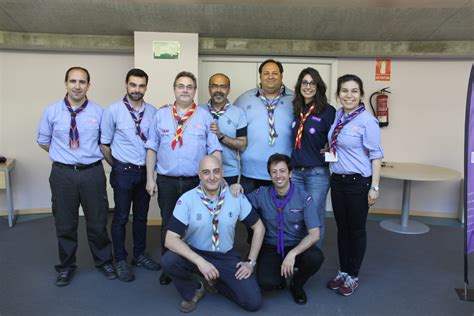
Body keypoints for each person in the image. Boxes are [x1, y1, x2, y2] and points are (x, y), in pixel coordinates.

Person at [37, 66, 116, 286]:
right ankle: (66, 266)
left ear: (88, 86)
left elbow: (105, 142)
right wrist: (64, 156)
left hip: (92, 173)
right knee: (65, 223)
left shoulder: (99, 113)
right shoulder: (51, 112)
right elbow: (43, 141)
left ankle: (104, 262)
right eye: (73, 81)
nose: (77, 86)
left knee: (98, 221)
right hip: (62, 175)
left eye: (82, 82)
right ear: (66, 84)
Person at [145, 71, 222, 285]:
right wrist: (150, 179)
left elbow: (215, 149)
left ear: (195, 91)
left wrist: (217, 178)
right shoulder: (160, 116)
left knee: (197, 225)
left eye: (189, 86)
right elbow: (151, 148)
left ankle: (196, 265)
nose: (185, 90)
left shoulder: (205, 117)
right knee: (168, 224)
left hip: (195, 182)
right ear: (174, 89)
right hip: (167, 180)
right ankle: (169, 266)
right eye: (181, 86)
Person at [161, 155, 264, 313]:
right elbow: (170, 240)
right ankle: (195, 288)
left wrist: (251, 262)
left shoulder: (235, 197)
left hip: (225, 256)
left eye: (216, 172)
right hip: (196, 253)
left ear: (222, 173)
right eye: (206, 172)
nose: (212, 177)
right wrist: (201, 262)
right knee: (169, 260)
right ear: (199, 175)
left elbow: (259, 227)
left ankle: (218, 282)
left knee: (253, 301)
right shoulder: (187, 199)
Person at [235, 153, 324, 305]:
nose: (278, 175)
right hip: (271, 246)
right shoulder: (261, 194)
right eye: (274, 172)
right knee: (266, 283)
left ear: (290, 173)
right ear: (269, 175)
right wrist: (236, 188)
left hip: (296, 245)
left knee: (316, 257)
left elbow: (315, 234)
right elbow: (239, 204)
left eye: (282, 171)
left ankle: (297, 283)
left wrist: (293, 253)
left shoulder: (304, 197)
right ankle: (279, 277)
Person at [100, 68, 160, 282]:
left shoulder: (153, 112)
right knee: (121, 217)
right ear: (126, 84)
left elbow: (155, 144)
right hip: (123, 171)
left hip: (145, 172)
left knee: (142, 217)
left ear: (146, 87)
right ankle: (121, 259)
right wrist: (116, 165)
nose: (137, 89)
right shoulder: (113, 111)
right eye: (133, 85)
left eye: (141, 85)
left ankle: (140, 255)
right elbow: (104, 144)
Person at [326, 74, 383, 296]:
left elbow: (376, 155)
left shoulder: (367, 121)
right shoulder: (338, 115)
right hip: (338, 181)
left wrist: (374, 187)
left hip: (358, 182)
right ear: (338, 94)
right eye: (344, 91)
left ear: (361, 94)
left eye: (354, 91)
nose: (349, 95)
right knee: (342, 230)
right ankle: (343, 271)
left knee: (356, 230)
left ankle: (353, 275)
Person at [290, 67, 336, 247]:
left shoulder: (328, 111)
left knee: (314, 218)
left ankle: (312, 259)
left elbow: (336, 142)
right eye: (304, 82)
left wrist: (330, 156)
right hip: (296, 173)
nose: (308, 86)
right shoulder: (297, 109)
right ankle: (296, 257)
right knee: (297, 215)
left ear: (318, 86)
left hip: (317, 174)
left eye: (312, 83)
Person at [234, 59, 294, 194]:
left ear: (282, 75)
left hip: (283, 172)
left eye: (275, 73)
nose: (270, 76)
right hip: (250, 172)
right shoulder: (243, 99)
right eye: (266, 73)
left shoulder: (295, 99)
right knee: (250, 213)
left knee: (281, 213)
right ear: (260, 76)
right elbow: (232, 129)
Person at [202, 73, 248, 185]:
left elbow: (242, 145)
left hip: (229, 173)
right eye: (214, 86)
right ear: (209, 89)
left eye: (223, 86)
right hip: (202, 172)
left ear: (228, 89)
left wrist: (221, 136)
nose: (218, 90)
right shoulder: (198, 111)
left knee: (227, 202)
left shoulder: (238, 113)